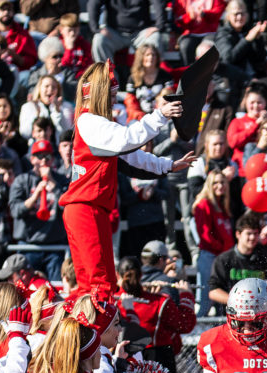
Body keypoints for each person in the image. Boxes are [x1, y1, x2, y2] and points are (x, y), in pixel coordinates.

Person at [59, 61, 195, 294]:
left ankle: (89, 329)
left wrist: (168, 165)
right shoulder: (90, 121)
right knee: (99, 285)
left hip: (91, 209)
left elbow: (132, 157)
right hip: (85, 209)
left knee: (95, 286)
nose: (115, 100)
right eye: (111, 94)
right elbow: (128, 139)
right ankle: (94, 329)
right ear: (98, 93)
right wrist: (160, 115)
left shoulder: (96, 124)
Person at [8, 140, 68, 279]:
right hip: (28, 246)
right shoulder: (21, 180)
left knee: (56, 289)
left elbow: (67, 208)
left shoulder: (61, 180)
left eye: (47, 157)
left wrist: (53, 184)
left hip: (55, 246)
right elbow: (15, 211)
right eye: (39, 156)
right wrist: (35, 196)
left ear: (53, 159)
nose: (43, 161)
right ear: (32, 159)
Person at [192, 169, 234, 316]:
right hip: (210, 256)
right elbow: (205, 235)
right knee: (207, 298)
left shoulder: (222, 205)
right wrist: (223, 250)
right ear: (209, 184)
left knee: (221, 298)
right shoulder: (203, 205)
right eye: (215, 182)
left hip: (223, 256)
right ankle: (194, 333)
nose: (220, 185)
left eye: (222, 182)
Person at [208, 212, 267, 307]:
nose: (252, 237)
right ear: (238, 234)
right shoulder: (223, 260)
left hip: (259, 315)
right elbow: (213, 292)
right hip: (232, 315)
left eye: (255, 234)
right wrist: (239, 302)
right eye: (248, 233)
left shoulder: (265, 259)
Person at [89, 0, 170, 63]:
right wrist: (96, 28)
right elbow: (93, 3)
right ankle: (107, 80)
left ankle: (151, 80)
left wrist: (159, 26)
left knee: (155, 38)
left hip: (141, 33)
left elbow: (158, 3)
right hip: (114, 33)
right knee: (99, 40)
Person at [0, 0, 36, 72]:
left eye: (9, 9)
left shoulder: (23, 35)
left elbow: (31, 61)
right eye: (2, 9)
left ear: (13, 13)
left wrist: (14, 55)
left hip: (17, 73)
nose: (6, 12)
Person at [122, 45, 172, 120]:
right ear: (141, 57)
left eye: (153, 55)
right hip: (139, 118)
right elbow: (130, 102)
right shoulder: (133, 78)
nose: (151, 57)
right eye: (147, 55)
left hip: (161, 117)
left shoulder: (165, 76)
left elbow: (169, 98)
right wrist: (139, 115)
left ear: (157, 57)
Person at [173, 0, 225, 65]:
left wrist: (205, 14)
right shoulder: (181, 1)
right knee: (185, 46)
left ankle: (208, 73)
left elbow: (218, 12)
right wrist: (189, 17)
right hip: (190, 34)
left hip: (210, 33)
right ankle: (188, 71)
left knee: (207, 48)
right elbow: (179, 20)